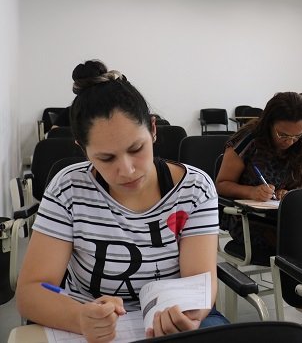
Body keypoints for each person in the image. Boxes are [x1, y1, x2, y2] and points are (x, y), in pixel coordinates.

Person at [16, 60, 227, 342]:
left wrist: (189, 316)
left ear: (153, 129)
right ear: (83, 150)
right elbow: (31, 291)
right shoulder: (69, 188)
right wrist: (80, 317)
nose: (126, 170)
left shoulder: (194, 188)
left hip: (170, 316)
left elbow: (198, 284)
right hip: (86, 317)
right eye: (106, 158)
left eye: (136, 148)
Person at [215, 92, 302, 254]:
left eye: (297, 135)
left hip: (290, 213)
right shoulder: (248, 140)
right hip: (249, 218)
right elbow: (221, 184)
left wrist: (293, 193)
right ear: (269, 124)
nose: (290, 141)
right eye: (283, 135)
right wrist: (251, 192)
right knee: (301, 240)